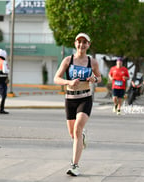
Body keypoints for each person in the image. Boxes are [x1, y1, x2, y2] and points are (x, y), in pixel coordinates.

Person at [53, 33, 101, 176]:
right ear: (75, 44)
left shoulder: (92, 62)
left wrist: (94, 79)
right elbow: (56, 78)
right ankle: (82, 137)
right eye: (79, 42)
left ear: (88, 45)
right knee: (73, 134)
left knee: (78, 129)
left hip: (85, 99)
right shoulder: (68, 60)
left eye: (84, 42)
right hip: (70, 99)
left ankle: (75, 165)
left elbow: (99, 77)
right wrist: (68, 82)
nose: (81, 44)